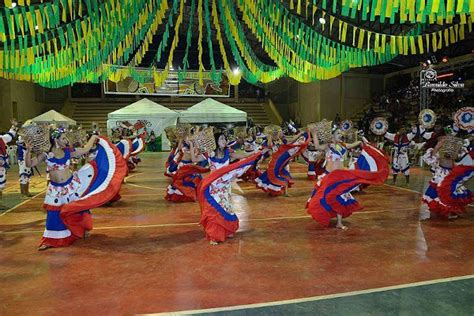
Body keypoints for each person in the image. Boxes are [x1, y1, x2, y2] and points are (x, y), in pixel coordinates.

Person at [25, 127, 126, 250]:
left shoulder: (68, 152)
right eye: (63, 138)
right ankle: (50, 240)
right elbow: (29, 164)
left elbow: (85, 149)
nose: (66, 140)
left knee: (77, 208)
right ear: (56, 139)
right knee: (53, 213)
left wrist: (94, 138)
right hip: (56, 189)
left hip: (70, 185)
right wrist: (28, 151)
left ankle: (82, 228)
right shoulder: (46, 155)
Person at [198, 132, 264, 245]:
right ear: (215, 141)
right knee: (214, 210)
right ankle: (214, 236)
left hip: (225, 187)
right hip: (214, 187)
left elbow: (242, 155)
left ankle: (226, 230)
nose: (224, 140)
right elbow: (195, 158)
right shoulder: (210, 153)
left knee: (226, 208)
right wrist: (193, 146)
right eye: (222, 139)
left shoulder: (228, 152)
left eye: (225, 138)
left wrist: (255, 152)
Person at [0, 119, 19, 210]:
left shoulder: (1, 138)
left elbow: (10, 135)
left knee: (0, 186)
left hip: (1, 168)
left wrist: (14, 126)